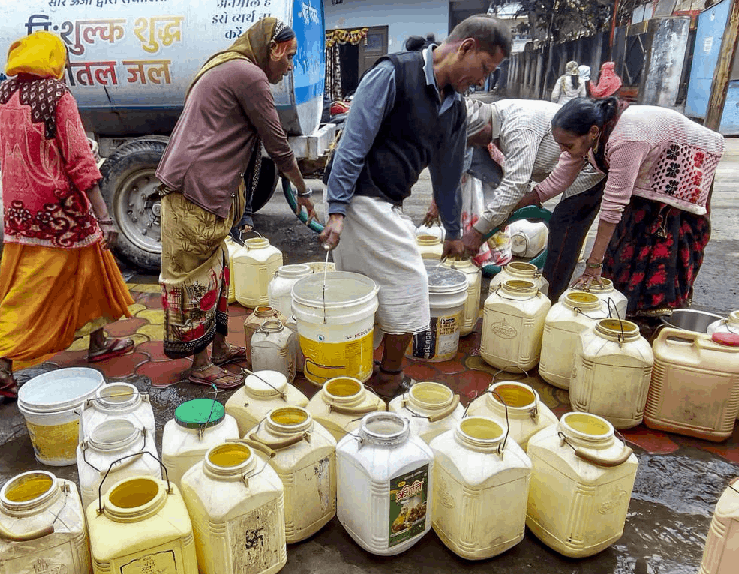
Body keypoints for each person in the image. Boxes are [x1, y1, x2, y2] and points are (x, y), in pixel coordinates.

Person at [319, 15, 511, 398]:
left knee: (367, 290)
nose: (483, 81)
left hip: (386, 201)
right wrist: (337, 210)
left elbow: (447, 172)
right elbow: (352, 143)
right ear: (467, 47)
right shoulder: (394, 74)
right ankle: (388, 377)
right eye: (484, 69)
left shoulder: (455, 108)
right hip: (360, 197)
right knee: (412, 284)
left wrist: (454, 232)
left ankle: (353, 369)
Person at [156, 17, 316, 388]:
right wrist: (303, 191)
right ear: (272, 49)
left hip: (200, 186)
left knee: (219, 269)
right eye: (288, 56)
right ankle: (199, 365)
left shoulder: (228, 65)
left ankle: (219, 347)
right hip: (194, 189)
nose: (290, 66)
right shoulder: (249, 75)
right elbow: (276, 141)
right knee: (198, 278)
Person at [0, 31, 135, 398]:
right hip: (59, 210)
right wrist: (105, 216)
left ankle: (98, 341)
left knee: (89, 268)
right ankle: (3, 362)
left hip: (19, 212)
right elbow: (79, 159)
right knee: (35, 289)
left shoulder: (4, 93)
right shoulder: (56, 94)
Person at [515, 97, 724, 319]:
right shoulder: (585, 137)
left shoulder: (626, 139)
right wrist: (523, 202)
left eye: (567, 145)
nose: (562, 150)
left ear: (593, 132)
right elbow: (559, 179)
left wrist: (593, 264)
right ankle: (627, 306)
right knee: (627, 241)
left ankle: (657, 314)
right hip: (647, 166)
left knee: (661, 243)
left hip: (683, 169)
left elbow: (612, 208)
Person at [456, 98, 605, 300]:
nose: (471, 143)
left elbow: (515, 184)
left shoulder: (518, 126)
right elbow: (518, 175)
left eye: (471, 137)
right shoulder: (496, 121)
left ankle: (550, 299)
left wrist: (477, 232)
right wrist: (505, 214)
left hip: (588, 169)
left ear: (482, 126)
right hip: (564, 167)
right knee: (554, 223)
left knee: (565, 229)